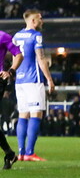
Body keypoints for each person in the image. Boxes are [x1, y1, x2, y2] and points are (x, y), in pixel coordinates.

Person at [13, 10, 56, 161]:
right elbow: (41, 59)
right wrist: (49, 79)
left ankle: (21, 153)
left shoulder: (16, 36)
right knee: (36, 114)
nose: (42, 21)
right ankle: (30, 152)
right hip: (34, 79)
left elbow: (14, 59)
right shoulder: (36, 36)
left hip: (20, 80)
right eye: (39, 18)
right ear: (32, 21)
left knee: (22, 114)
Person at [0, 29, 23, 168]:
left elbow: (19, 54)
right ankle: (9, 153)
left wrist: (11, 71)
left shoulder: (3, 36)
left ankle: (9, 153)